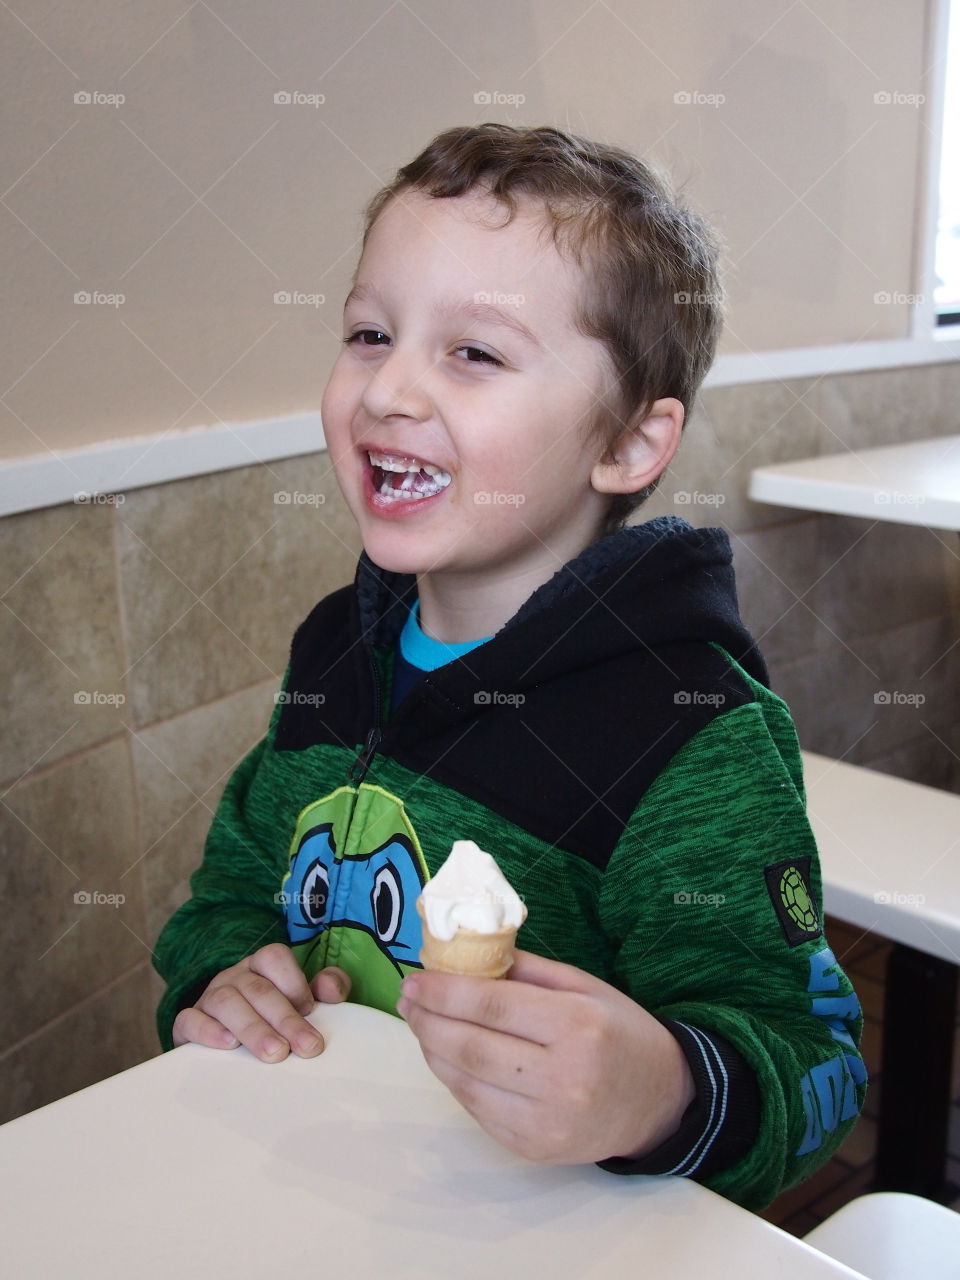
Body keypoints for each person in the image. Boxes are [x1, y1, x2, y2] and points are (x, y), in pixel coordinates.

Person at [153, 122, 865, 1210]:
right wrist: (226, 977)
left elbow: (820, 1068)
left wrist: (665, 1089)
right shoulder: (334, 647)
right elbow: (231, 895)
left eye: (472, 352)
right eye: (369, 331)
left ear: (626, 443)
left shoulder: (689, 733)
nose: (389, 388)